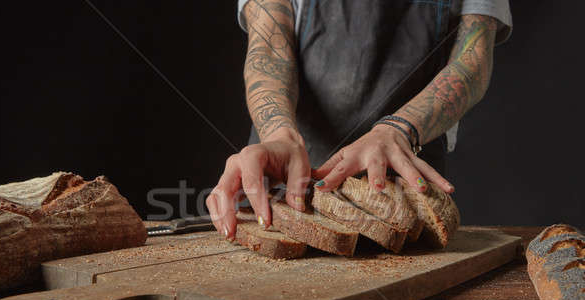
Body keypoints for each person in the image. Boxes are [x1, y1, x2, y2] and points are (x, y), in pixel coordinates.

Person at [207, 0, 512, 239]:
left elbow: (472, 60)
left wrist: (398, 129)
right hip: (283, 175)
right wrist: (279, 134)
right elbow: (269, 46)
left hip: (400, 175)